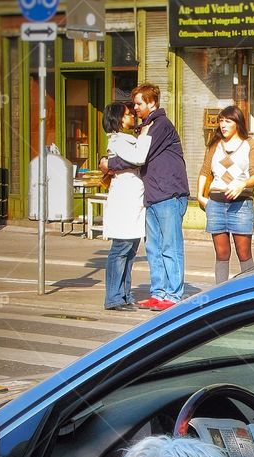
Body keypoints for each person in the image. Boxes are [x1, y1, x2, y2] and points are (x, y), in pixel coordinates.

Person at [101, 84, 189, 312]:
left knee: (170, 246)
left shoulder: (159, 125)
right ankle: (158, 292)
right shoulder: (144, 128)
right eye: (134, 105)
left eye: (139, 104)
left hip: (169, 194)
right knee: (154, 248)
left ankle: (173, 294)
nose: (135, 108)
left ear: (151, 102)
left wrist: (109, 164)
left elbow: (138, 158)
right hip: (152, 195)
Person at [197, 105, 254, 285]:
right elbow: (204, 171)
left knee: (244, 253)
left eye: (228, 121)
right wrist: (200, 196)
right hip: (216, 204)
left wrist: (242, 183)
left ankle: (250, 293)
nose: (223, 125)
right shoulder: (215, 144)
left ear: (237, 123)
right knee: (222, 253)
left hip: (241, 205)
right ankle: (220, 295)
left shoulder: (249, 144)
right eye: (221, 121)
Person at [100, 102, 152, 311]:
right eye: (129, 115)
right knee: (120, 250)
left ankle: (124, 294)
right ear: (119, 119)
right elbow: (139, 158)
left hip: (132, 202)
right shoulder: (118, 141)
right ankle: (113, 297)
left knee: (129, 251)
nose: (133, 117)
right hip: (124, 203)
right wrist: (146, 134)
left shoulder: (126, 140)